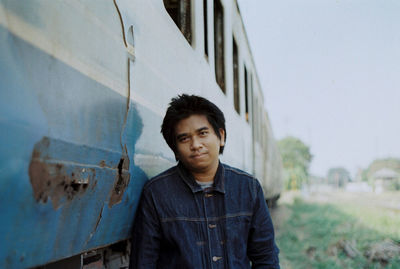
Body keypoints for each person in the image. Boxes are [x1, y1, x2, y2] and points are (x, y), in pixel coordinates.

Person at [130, 94, 280, 268]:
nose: (195, 144)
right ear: (175, 149)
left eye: (202, 133)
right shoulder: (156, 193)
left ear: (221, 136)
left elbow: (266, 258)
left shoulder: (248, 188)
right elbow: (143, 263)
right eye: (184, 138)